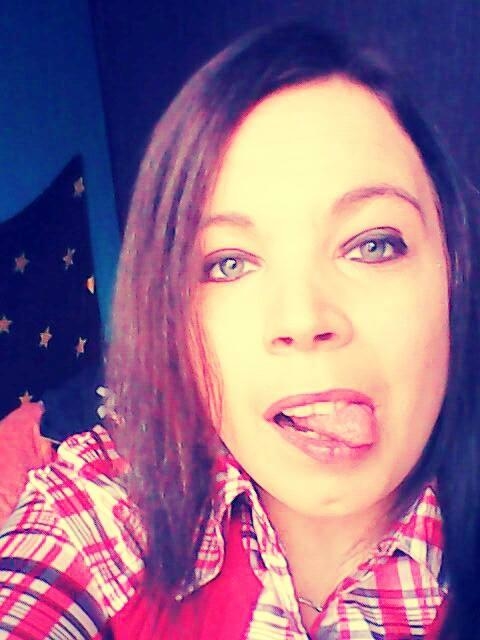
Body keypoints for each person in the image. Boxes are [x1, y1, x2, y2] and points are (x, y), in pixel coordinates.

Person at [1, 21, 479, 640]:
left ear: (454, 273)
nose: (304, 320)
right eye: (229, 263)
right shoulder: (101, 507)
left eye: (373, 244)